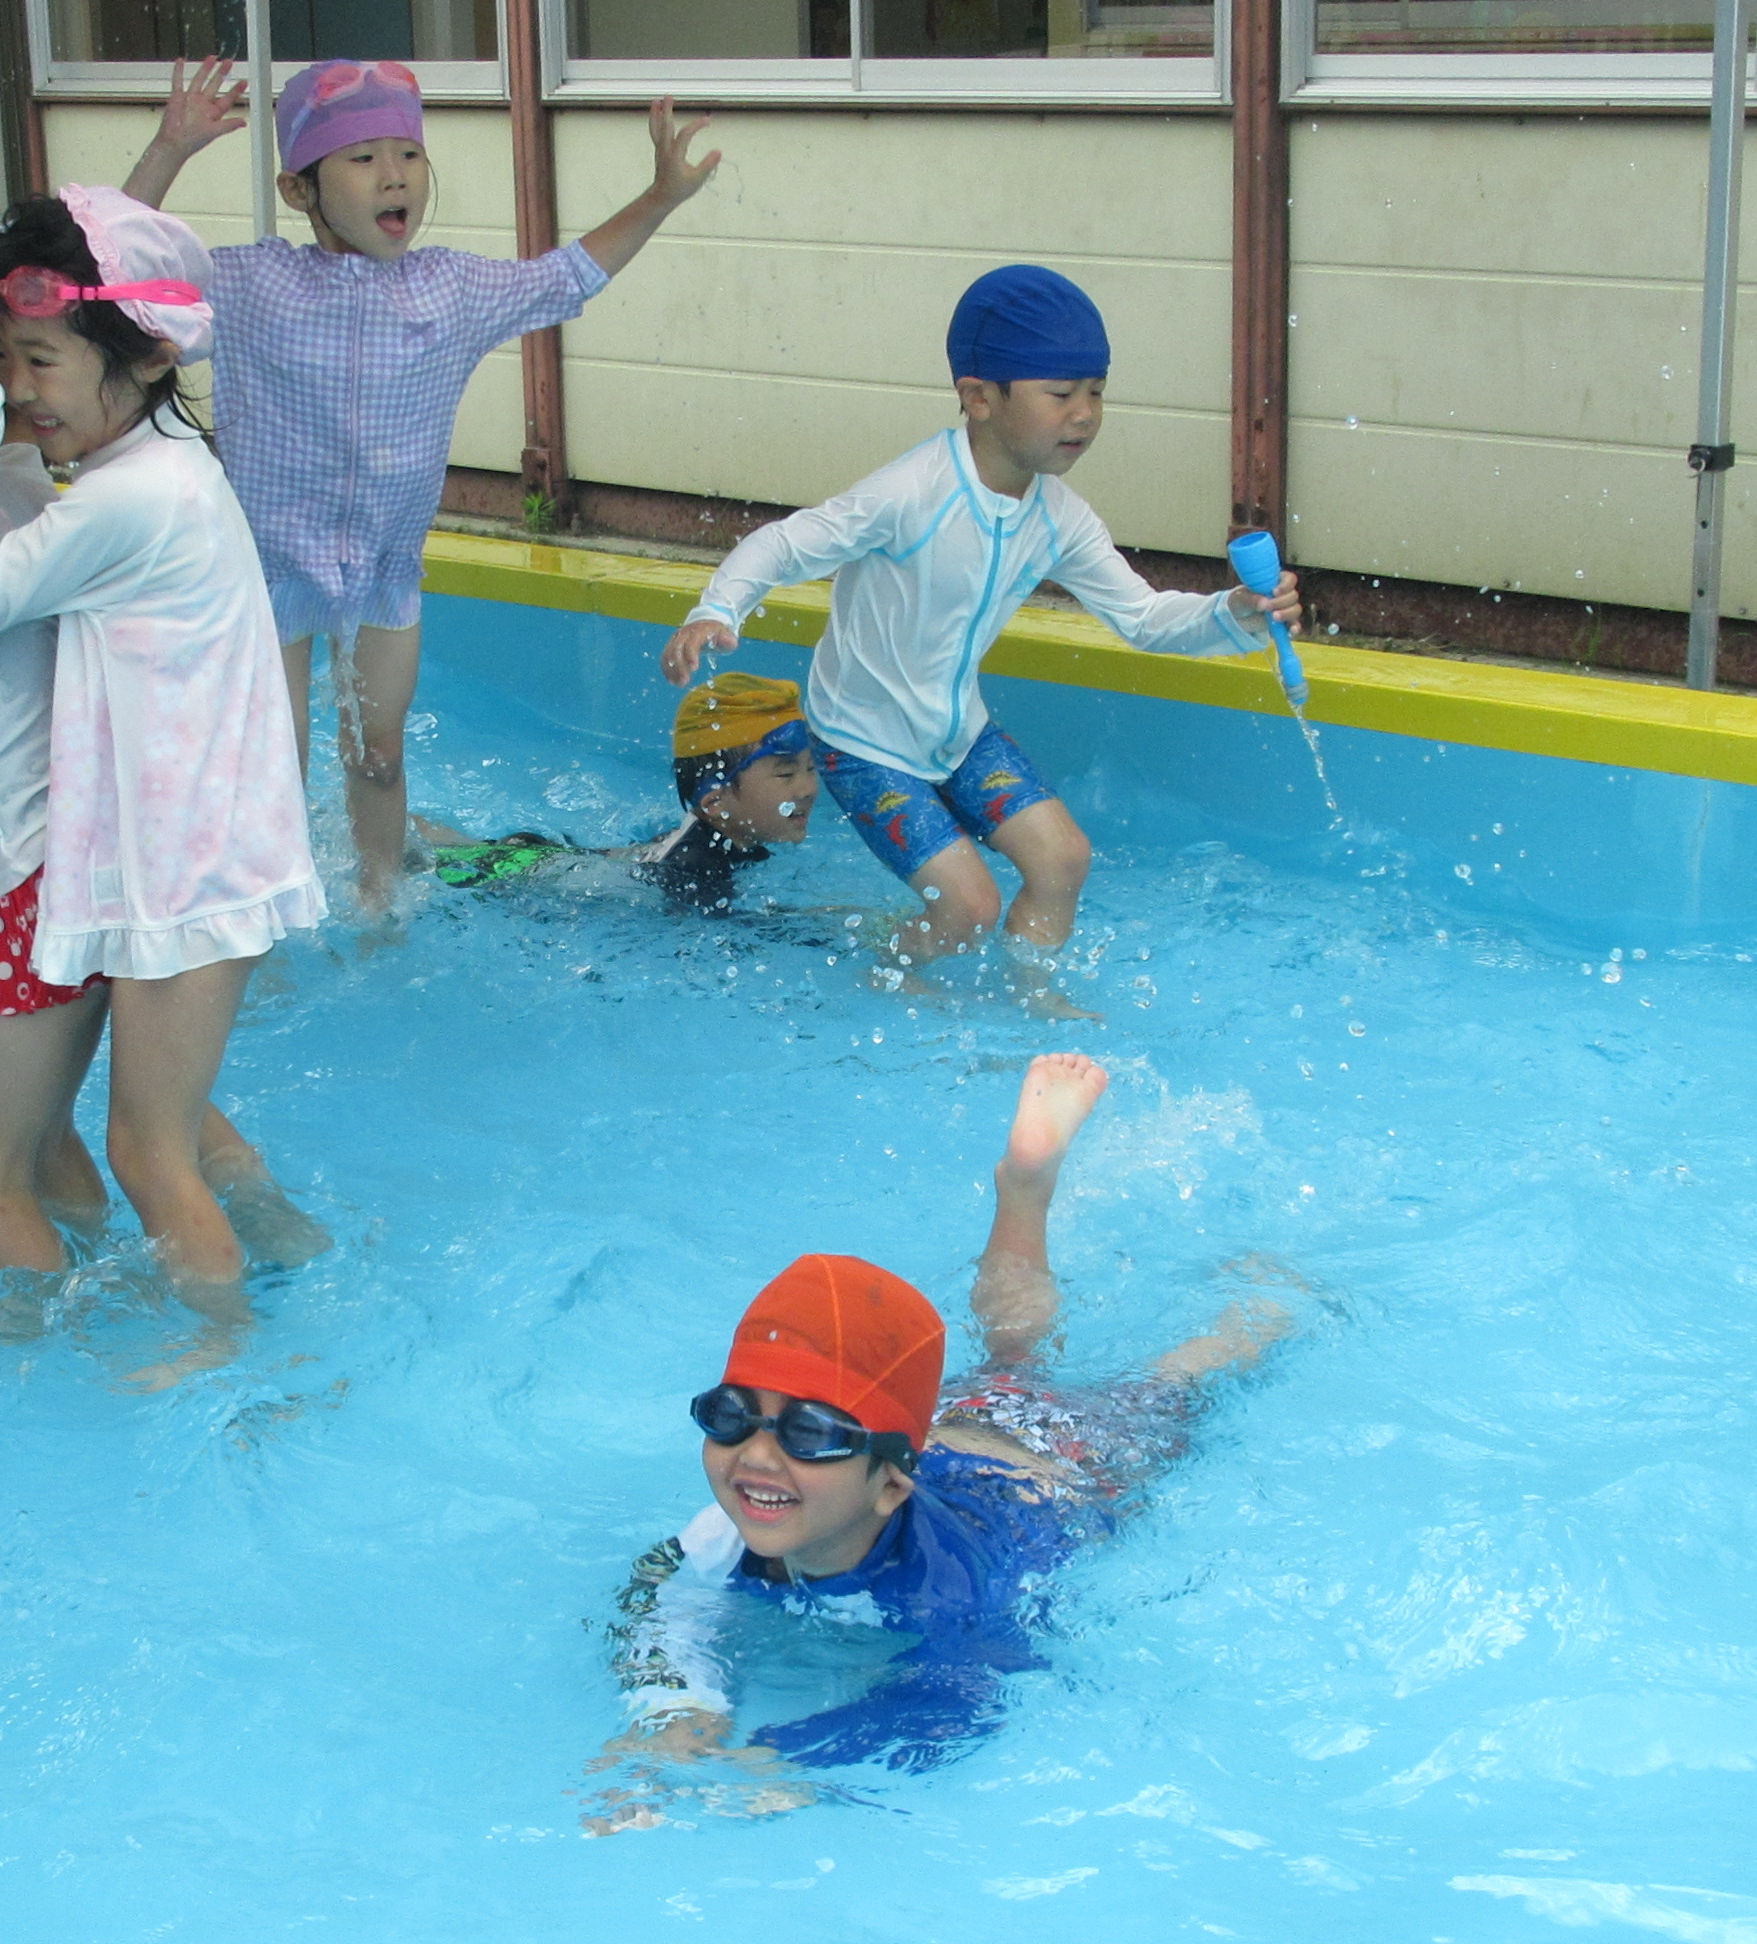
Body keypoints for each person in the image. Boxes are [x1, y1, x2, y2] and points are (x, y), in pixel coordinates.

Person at [588, 1055, 1294, 1827]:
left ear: (891, 1486)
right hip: (949, 1426)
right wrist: (678, 1715)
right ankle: (1025, 1187)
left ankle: (1258, 1312)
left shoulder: (947, 1593)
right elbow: (659, 1604)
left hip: (1060, 1468)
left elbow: (955, 1702)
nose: (757, 1453)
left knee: (1166, 1386)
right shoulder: (739, 1521)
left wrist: (792, 1755)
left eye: (809, 1432)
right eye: (731, 1414)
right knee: (1010, 1356)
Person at [119, 57, 723, 916]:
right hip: (264, 574)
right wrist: (170, 150)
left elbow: (568, 276)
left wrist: (660, 196)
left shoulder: (451, 289)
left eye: (408, 153)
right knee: (267, 768)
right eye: (362, 158)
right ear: (299, 190)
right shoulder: (251, 284)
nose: (394, 173)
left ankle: (378, 906)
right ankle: (256, 917)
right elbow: (117, 279)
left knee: (379, 756)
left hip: (382, 573)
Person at [0, 187, 324, 1350]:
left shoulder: (129, 497)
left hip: (188, 872)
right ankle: (295, 1251)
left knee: (147, 1147)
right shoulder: (163, 459)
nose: (13, 388)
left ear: (142, 360)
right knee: (172, 1121)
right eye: (2, 358)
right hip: (203, 849)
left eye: (38, 360)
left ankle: (221, 1351)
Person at [661, 265, 1307, 1009]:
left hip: (958, 733)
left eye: (1096, 391)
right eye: (1060, 394)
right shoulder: (911, 494)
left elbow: (1143, 617)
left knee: (1063, 859)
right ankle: (886, 966)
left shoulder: (1058, 515)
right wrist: (718, 609)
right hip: (865, 743)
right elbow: (784, 544)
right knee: (968, 910)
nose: (1085, 414)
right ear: (979, 397)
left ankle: (1030, 998)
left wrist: (1235, 613)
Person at [0, 410, 328, 1278]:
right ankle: (282, 1251)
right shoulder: (43, 498)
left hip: (25, 884)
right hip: (98, 864)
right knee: (97, 1137)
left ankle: (50, 1340)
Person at [417, 671, 819, 916]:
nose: (808, 788)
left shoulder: (720, 835)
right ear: (714, 802)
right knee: (426, 857)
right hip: (519, 876)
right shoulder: (695, 869)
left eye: (811, 768)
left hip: (549, 858)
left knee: (447, 844)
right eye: (786, 774)